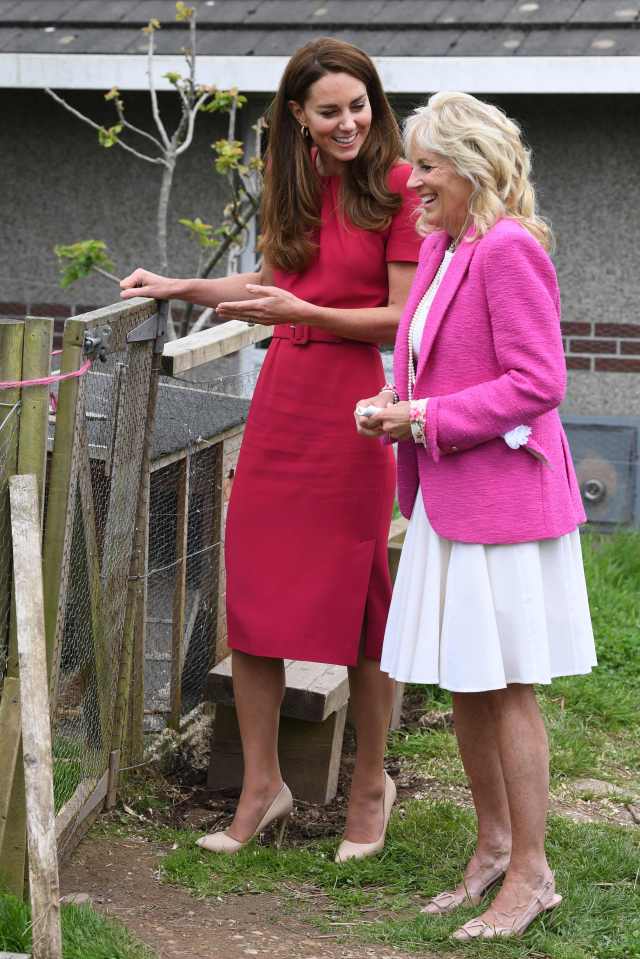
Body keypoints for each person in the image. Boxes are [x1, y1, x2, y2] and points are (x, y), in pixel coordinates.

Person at [121, 38, 420, 861]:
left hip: (356, 406)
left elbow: (401, 318)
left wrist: (306, 311)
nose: (348, 121)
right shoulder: (288, 184)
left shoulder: (399, 187)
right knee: (253, 597)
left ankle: (370, 782)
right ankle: (264, 785)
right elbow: (266, 291)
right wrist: (180, 287)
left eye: (359, 106)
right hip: (283, 399)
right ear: (298, 116)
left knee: (363, 605)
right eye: (329, 110)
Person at [356, 91, 596, 939]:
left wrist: (421, 420)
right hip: (447, 499)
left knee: (508, 687)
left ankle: (533, 873)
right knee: (465, 676)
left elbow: (539, 383)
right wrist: (396, 395)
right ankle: (494, 846)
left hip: (503, 504)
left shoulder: (507, 250)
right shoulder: (440, 245)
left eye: (425, 165)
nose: (408, 180)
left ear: (472, 167)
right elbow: (431, 357)